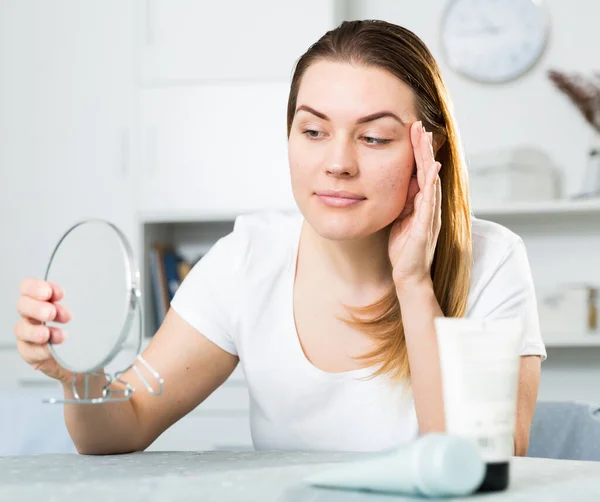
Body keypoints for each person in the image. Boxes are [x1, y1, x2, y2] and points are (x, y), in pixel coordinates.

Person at [14, 20, 546, 456]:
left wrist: (413, 282)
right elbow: (124, 423)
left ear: (430, 154)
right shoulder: (249, 260)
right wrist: (74, 376)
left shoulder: (494, 262)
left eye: (374, 137)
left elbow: (478, 465)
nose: (337, 163)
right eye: (313, 131)